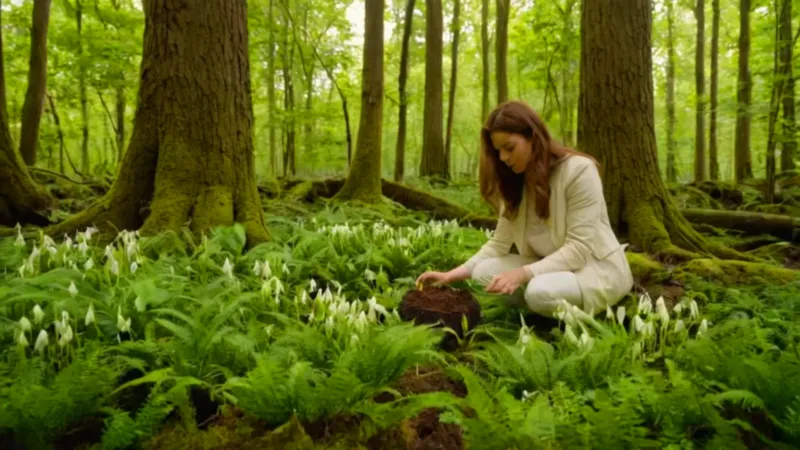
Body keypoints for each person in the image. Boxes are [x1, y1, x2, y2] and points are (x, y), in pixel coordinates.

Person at [416, 100, 633, 317]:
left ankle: (559, 309)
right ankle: (539, 308)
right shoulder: (515, 183)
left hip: (592, 269)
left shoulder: (578, 171)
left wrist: (521, 275)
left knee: (540, 292)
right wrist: (451, 275)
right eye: (498, 151)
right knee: (483, 273)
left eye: (509, 148)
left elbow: (578, 249)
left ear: (533, 137)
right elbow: (498, 244)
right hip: (544, 268)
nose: (503, 157)